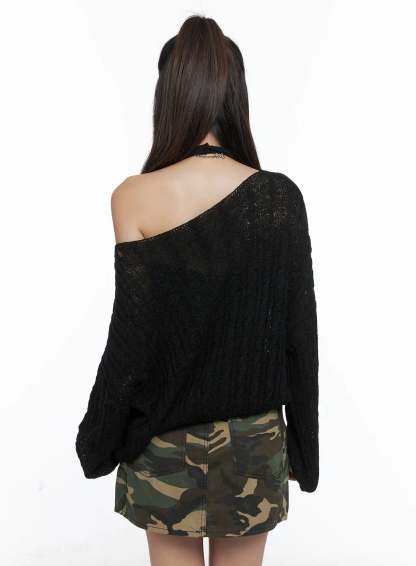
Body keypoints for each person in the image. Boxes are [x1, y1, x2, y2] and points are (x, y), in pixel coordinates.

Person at [75, 14, 319, 566]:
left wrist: (97, 440)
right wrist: (304, 453)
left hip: (164, 445)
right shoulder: (279, 199)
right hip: (254, 448)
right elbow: (299, 339)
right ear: (236, 95)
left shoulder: (133, 196)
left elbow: (131, 341)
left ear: (169, 96)